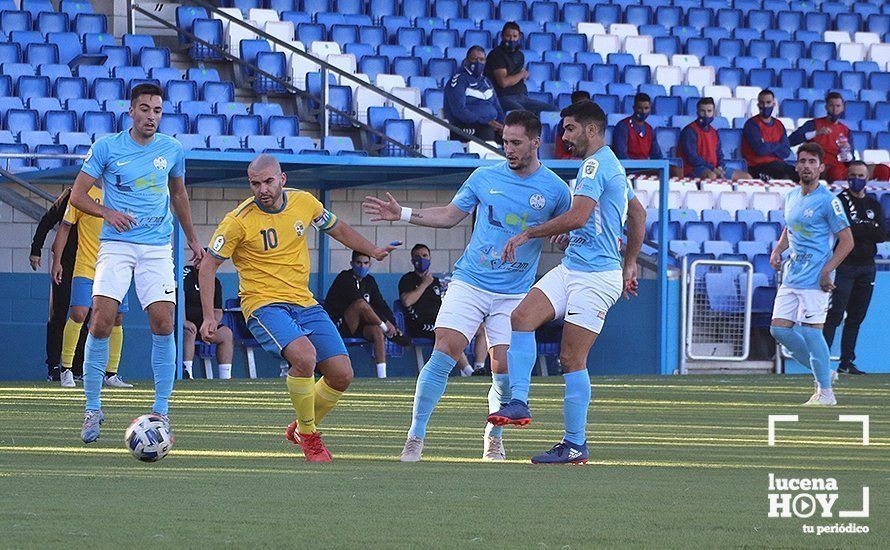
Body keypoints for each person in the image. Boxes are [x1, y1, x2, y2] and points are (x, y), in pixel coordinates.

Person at [363, 110, 572, 462]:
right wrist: (402, 214)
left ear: (536, 142)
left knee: (502, 367)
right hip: (471, 281)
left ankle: (494, 433)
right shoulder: (483, 176)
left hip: (515, 292)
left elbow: (564, 233)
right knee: (444, 350)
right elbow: (448, 215)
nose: (509, 149)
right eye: (505, 142)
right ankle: (416, 435)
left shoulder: (555, 189)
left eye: (517, 143)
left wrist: (565, 240)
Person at [198, 154, 398, 462]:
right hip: (264, 306)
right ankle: (309, 436)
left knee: (342, 374)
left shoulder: (304, 203)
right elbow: (208, 265)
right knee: (305, 357)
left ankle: (302, 425)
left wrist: (371, 249)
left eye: (268, 181)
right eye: (255, 183)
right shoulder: (238, 221)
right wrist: (209, 316)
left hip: (304, 302)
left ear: (282, 179)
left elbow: (338, 228)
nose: (262, 189)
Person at [488, 100, 647, 464]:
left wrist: (530, 233)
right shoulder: (611, 164)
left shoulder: (594, 164)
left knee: (571, 358)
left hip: (595, 278)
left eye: (570, 129)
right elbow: (636, 213)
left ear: (591, 130)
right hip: (574, 267)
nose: (564, 136)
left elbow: (577, 216)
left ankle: (575, 444)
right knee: (521, 318)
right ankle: (518, 402)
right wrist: (632, 262)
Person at [69, 83, 204, 443]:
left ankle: (161, 412)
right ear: (131, 111)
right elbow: (78, 195)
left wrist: (192, 238)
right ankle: (93, 409)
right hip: (117, 245)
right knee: (100, 320)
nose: (151, 116)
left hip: (157, 249)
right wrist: (107, 212)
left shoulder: (172, 149)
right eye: (145, 109)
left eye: (157, 110)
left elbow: (178, 194)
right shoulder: (107, 147)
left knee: (164, 323)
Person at [768, 143, 853, 406]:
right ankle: (823, 371)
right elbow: (789, 228)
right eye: (802, 161)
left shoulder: (829, 201)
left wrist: (828, 270)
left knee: (812, 333)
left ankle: (826, 393)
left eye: (812, 162)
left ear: (821, 167)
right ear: (796, 166)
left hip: (816, 278)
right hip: (793, 274)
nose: (806, 166)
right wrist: (778, 250)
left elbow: (847, 241)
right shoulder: (792, 195)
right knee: (778, 330)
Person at [51, 183, 131, 389]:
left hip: (115, 267)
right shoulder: (82, 195)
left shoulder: (124, 194)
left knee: (117, 317)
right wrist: (57, 261)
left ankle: (111, 373)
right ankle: (66, 369)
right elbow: (65, 227)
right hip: (86, 266)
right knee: (78, 313)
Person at [822, 160, 886, 375]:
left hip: (867, 266)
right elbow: (846, 230)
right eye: (852, 175)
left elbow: (881, 234)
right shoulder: (840, 201)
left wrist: (861, 227)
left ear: (867, 179)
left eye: (860, 176)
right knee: (835, 313)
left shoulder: (874, 204)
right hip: (844, 266)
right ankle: (821, 361)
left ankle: (846, 362)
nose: (856, 180)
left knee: (857, 317)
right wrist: (867, 227)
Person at [398, 243, 486, 376]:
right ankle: (469, 372)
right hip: (420, 325)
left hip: (441, 319)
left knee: (481, 328)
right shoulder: (407, 279)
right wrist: (425, 284)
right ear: (412, 261)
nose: (421, 259)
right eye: (417, 257)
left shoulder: (437, 282)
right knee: (450, 333)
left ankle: (479, 368)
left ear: (430, 258)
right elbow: (406, 301)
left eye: (424, 256)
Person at [323, 251, 411, 379]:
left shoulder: (370, 281)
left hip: (360, 326)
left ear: (370, 264)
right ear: (352, 264)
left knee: (376, 331)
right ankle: (388, 332)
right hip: (339, 325)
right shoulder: (344, 278)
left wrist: (393, 323)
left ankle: (382, 376)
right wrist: (385, 324)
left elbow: (380, 304)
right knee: (360, 304)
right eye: (358, 263)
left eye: (365, 263)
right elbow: (359, 302)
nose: (362, 266)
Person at [30, 187, 85, 381]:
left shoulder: (108, 195)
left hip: (90, 263)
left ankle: (77, 368)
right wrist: (36, 250)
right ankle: (53, 366)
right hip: (66, 262)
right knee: (59, 315)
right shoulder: (73, 194)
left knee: (85, 317)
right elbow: (47, 220)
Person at [483, 22, 554, 114]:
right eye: (508, 36)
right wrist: (522, 74)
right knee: (524, 116)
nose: (511, 39)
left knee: (553, 111)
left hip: (522, 96)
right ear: (502, 36)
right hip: (502, 97)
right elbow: (503, 82)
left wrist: (520, 75)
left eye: (515, 36)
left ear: (519, 37)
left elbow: (519, 77)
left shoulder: (519, 55)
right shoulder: (496, 54)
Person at [182, 255, 233, 380]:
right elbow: (179, 297)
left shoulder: (215, 282)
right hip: (184, 323)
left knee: (226, 333)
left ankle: (225, 376)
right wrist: (183, 321)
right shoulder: (186, 275)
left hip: (204, 324)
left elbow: (217, 311)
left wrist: (212, 325)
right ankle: (187, 374)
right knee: (190, 330)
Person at [678, 97, 752, 180]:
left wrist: (720, 166)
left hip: (715, 168)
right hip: (693, 168)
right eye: (703, 111)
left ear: (714, 113)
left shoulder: (714, 132)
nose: (706, 114)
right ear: (697, 112)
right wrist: (713, 169)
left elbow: (719, 154)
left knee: (746, 177)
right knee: (712, 176)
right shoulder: (689, 131)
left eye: (709, 111)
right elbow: (692, 158)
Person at [790, 92, 854, 183]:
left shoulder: (846, 131)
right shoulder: (813, 124)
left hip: (842, 167)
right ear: (826, 107)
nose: (835, 109)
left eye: (838, 106)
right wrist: (815, 133)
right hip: (821, 168)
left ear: (843, 108)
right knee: (836, 172)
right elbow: (791, 140)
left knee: (879, 169)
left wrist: (846, 153)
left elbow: (850, 160)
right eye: (831, 106)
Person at [444, 46, 504, 142]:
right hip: (464, 127)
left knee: (513, 136)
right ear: (467, 60)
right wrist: (486, 122)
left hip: (490, 126)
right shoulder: (458, 80)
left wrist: (501, 125)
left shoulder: (486, 82)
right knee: (488, 133)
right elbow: (459, 111)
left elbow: (498, 108)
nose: (478, 62)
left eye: (481, 59)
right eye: (474, 59)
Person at [741, 89, 796, 181]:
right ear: (758, 105)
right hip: (756, 167)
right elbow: (760, 150)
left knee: (798, 174)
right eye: (762, 103)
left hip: (779, 165)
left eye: (768, 102)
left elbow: (786, 152)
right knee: (785, 176)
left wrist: (767, 145)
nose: (765, 106)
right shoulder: (752, 124)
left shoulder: (779, 125)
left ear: (773, 104)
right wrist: (778, 145)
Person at [612, 93, 663, 162]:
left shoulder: (649, 129)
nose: (643, 112)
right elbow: (621, 155)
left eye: (646, 108)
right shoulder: (623, 126)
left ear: (650, 109)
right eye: (640, 108)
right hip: (627, 169)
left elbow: (657, 156)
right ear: (634, 108)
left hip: (645, 169)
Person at [554, 90, 590, 159]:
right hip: (566, 158)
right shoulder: (565, 122)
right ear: (574, 105)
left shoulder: (589, 122)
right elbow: (567, 147)